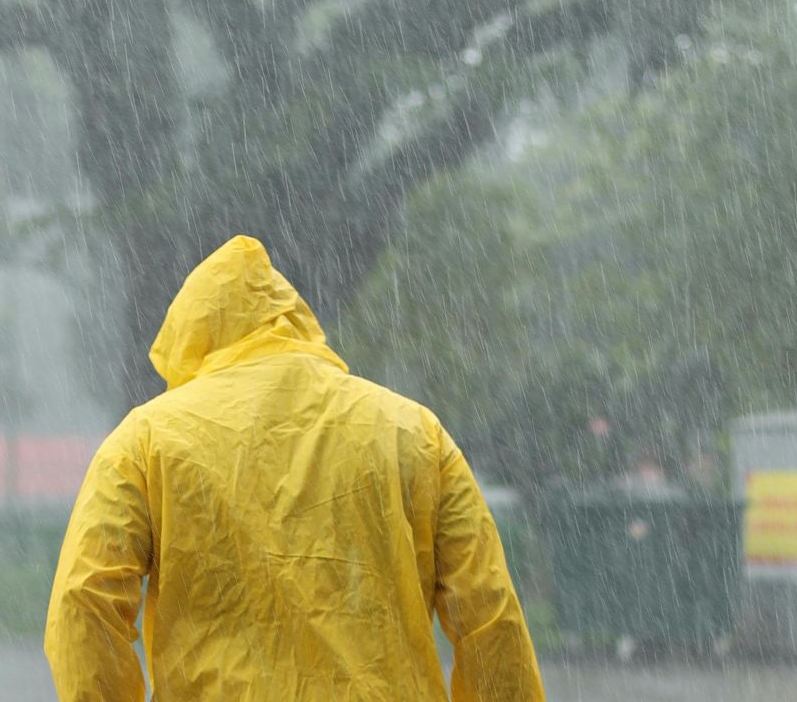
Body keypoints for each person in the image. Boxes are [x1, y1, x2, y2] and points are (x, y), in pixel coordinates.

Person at [45, 235, 545, 701]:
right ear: (294, 319)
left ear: (188, 339)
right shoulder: (413, 432)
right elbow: (489, 614)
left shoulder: (146, 441)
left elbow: (84, 604)